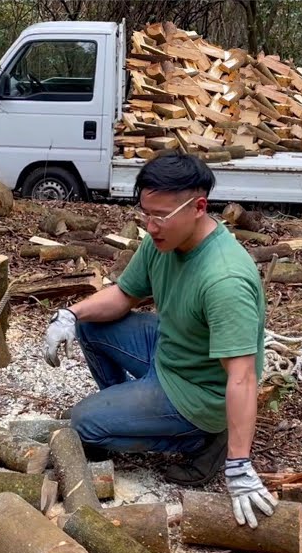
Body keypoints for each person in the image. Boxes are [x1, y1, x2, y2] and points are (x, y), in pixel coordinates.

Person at [42, 153, 277, 528]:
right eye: (145, 214)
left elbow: (242, 378)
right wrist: (70, 314)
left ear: (199, 207)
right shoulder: (163, 239)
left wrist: (240, 465)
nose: (151, 226)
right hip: (169, 349)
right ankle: (134, 413)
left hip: (198, 392)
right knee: (89, 323)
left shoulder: (224, 280)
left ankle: (199, 440)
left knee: (83, 424)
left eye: (160, 216)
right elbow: (123, 296)